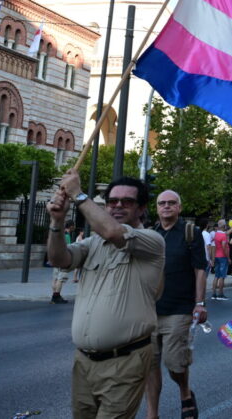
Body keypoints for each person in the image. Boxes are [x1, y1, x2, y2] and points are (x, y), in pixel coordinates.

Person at [46, 172, 165, 419]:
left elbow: (114, 233)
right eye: (112, 201)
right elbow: (58, 259)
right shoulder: (93, 243)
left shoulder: (152, 241)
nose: (118, 205)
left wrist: (78, 195)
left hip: (124, 362)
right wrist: (57, 223)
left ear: (141, 208)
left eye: (127, 202)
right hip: (84, 362)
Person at [145, 190, 208, 419]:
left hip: (180, 309)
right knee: (149, 365)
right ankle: (152, 414)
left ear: (179, 208)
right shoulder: (151, 234)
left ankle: (184, 391)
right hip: (150, 311)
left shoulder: (191, 233)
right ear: (157, 207)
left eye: (172, 203)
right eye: (162, 203)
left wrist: (199, 303)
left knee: (175, 364)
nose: (166, 206)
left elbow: (200, 269)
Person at [51, 220, 77, 304]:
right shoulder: (67, 235)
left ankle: (53, 296)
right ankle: (56, 296)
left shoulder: (61, 233)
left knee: (55, 277)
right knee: (61, 278)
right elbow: (67, 248)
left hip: (55, 257)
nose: (74, 228)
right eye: (74, 226)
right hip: (62, 258)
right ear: (71, 226)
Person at [210, 223, 230, 301]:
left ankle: (214, 294)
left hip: (217, 256)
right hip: (223, 257)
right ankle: (220, 294)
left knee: (216, 276)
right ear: (224, 227)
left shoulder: (216, 234)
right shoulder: (223, 235)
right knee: (222, 276)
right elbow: (224, 246)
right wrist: (228, 258)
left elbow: (214, 245)